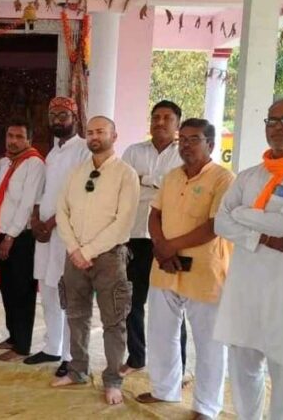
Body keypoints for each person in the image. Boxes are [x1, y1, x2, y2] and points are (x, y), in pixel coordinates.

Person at [214, 98, 283, 420]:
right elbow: (220, 222)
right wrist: (261, 237)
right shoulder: (248, 176)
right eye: (272, 121)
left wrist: (241, 212)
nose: (278, 127)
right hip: (245, 287)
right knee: (243, 368)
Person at [134, 119, 234, 419]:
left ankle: (206, 406)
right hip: (165, 266)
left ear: (210, 145)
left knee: (209, 342)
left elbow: (214, 226)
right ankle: (164, 389)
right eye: (183, 139)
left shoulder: (224, 179)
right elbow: (155, 214)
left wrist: (170, 246)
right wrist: (161, 246)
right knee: (160, 332)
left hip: (205, 270)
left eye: (194, 139)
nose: (186, 145)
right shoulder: (172, 176)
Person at [53, 116, 139, 405]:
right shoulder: (77, 172)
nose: (94, 137)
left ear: (114, 136)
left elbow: (123, 222)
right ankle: (77, 370)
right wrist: (74, 249)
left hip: (109, 257)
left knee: (114, 321)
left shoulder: (126, 174)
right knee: (76, 315)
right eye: (90, 132)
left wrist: (87, 251)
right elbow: (61, 211)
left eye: (101, 131)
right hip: (74, 255)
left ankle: (113, 380)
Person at [24, 97, 90, 378]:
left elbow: (79, 195)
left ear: (75, 118)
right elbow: (46, 192)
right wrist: (36, 220)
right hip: (45, 235)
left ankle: (70, 356)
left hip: (66, 233)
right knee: (48, 289)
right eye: (53, 115)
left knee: (68, 294)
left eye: (63, 115)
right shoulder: (52, 153)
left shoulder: (84, 150)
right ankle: (52, 346)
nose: (58, 120)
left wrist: (51, 223)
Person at [120, 100, 185, 377]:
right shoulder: (134, 151)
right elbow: (123, 184)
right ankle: (136, 358)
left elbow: (176, 187)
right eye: (156, 117)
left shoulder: (184, 154)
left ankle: (179, 366)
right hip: (134, 235)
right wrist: (158, 182)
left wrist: (144, 179)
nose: (160, 122)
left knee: (171, 304)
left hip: (167, 239)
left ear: (177, 124)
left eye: (167, 118)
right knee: (132, 302)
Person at [0, 118, 46, 362]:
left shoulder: (34, 163)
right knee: (7, 288)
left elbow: (27, 204)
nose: (13, 141)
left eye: (19, 136)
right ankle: (12, 336)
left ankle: (22, 345)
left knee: (22, 291)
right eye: (10, 136)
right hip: (1, 234)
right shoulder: (5, 163)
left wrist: (10, 236)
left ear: (29, 139)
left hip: (21, 237)